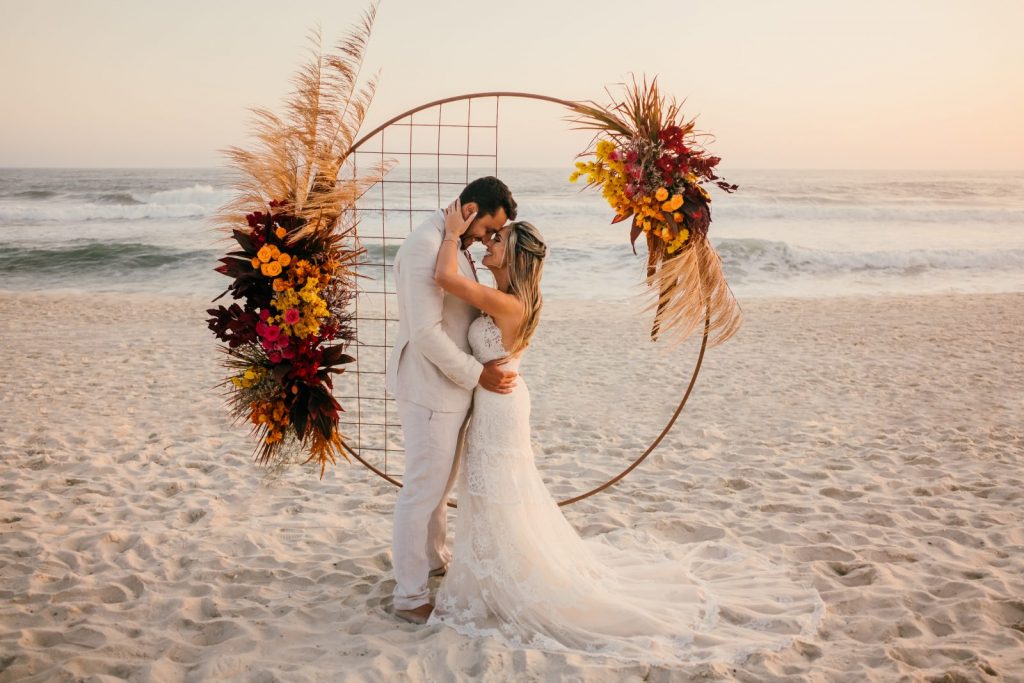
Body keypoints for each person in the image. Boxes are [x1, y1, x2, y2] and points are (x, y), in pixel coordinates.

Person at [424, 200, 826, 666]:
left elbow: (446, 280)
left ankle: (508, 578)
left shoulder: (511, 304)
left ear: (515, 258)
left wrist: (453, 233)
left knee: (499, 492)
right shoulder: (504, 295)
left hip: (501, 410)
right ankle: (491, 573)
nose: (489, 243)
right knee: (493, 494)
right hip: (496, 404)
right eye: (491, 238)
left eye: (498, 241)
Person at [385, 177, 519, 625]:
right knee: (421, 491)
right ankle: (409, 595)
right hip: (430, 388)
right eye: (486, 229)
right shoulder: (428, 244)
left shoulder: (450, 241)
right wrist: (477, 374)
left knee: (439, 489)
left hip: (453, 388)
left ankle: (433, 560)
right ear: (471, 209)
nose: (486, 239)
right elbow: (425, 333)